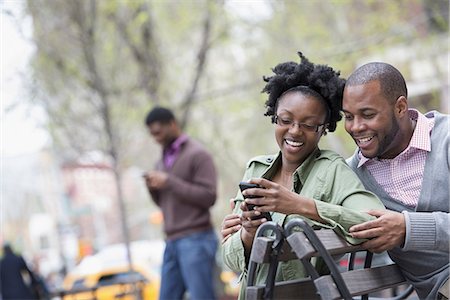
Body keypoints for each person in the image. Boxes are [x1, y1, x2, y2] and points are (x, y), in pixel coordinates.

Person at [221, 52, 386, 299]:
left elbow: (374, 222)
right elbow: (232, 261)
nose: (295, 131)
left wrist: (299, 205)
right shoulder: (256, 169)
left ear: (324, 128)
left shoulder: (332, 170)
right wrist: (247, 234)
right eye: (286, 120)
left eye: (309, 124)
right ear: (274, 118)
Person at [342, 62, 449, 300]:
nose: (356, 127)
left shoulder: (446, 140)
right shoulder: (351, 176)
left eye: (368, 114)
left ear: (400, 107)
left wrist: (407, 228)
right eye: (349, 117)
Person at [143, 106, 218, 300]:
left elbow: (209, 196)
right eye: (152, 134)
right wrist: (152, 188)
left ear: (172, 124)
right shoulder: (162, 161)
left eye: (158, 132)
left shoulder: (198, 154)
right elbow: (164, 204)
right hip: (171, 241)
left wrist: (168, 181)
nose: (156, 138)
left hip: (197, 238)